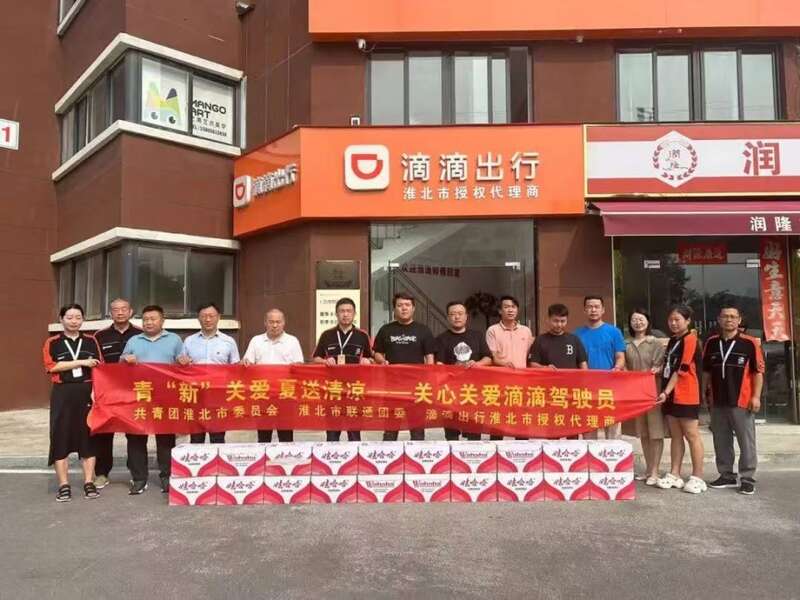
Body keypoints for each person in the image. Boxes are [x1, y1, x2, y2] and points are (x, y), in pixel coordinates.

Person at [120, 305, 184, 495]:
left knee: (165, 438)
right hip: (139, 395)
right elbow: (119, 365)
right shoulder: (134, 340)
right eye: (145, 319)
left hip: (165, 395)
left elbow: (182, 365)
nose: (148, 322)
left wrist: (183, 362)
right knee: (136, 437)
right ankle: (139, 479)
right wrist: (126, 360)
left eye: (153, 319)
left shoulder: (174, 340)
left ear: (162, 321)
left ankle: (167, 477)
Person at [42, 304, 103, 502]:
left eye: (78, 317)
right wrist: (81, 362)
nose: (74, 321)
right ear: (61, 319)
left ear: (83, 319)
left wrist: (96, 392)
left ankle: (89, 482)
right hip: (63, 393)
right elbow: (52, 366)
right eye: (69, 317)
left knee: (88, 437)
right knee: (60, 437)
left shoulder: (91, 340)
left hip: (86, 393)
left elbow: (100, 368)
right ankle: (64, 485)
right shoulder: (52, 342)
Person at [703, 305, 764, 495]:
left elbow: (758, 372)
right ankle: (726, 475)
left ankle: (747, 477)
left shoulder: (749, 343)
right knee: (721, 439)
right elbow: (706, 371)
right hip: (717, 400)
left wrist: (756, 396)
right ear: (719, 320)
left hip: (742, 400)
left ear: (739, 320)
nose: (728, 320)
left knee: (746, 441)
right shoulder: (711, 343)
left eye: (732, 316)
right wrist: (703, 394)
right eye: (725, 316)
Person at [655, 305, 706, 494]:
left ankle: (698, 476)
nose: (673, 323)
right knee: (675, 435)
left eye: (677, 319)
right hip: (670, 395)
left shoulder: (691, 339)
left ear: (688, 321)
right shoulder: (673, 340)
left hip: (686, 393)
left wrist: (666, 392)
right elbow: (669, 365)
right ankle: (675, 473)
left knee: (692, 435)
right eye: (671, 320)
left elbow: (682, 369)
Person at [373, 292, 436, 441]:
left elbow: (429, 357)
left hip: (417, 388)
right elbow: (377, 353)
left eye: (407, 305)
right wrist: (382, 361)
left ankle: (418, 455)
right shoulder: (386, 330)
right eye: (400, 305)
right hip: (392, 387)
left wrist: (429, 379)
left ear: (413, 308)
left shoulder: (423, 330)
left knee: (417, 430)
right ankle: (388, 454)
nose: (404, 308)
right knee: (390, 429)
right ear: (394, 309)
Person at [93, 298, 141, 489]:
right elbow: (96, 364)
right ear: (110, 313)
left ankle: (137, 474)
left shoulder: (140, 334)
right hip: (108, 392)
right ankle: (102, 473)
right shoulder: (99, 336)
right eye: (115, 309)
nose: (120, 312)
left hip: (134, 392)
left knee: (135, 433)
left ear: (131, 312)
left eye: (123, 309)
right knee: (104, 433)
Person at [312, 297, 373, 442]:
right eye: (342, 311)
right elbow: (315, 357)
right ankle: (331, 455)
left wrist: (367, 361)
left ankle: (355, 456)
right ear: (336, 314)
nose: (345, 314)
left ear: (354, 314)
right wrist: (325, 361)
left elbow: (371, 358)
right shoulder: (327, 335)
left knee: (354, 432)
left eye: (349, 311)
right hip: (333, 388)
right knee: (332, 432)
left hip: (354, 389)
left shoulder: (362, 335)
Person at [178, 302, 240, 444]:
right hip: (196, 395)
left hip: (219, 395)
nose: (207, 319)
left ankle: (217, 459)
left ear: (218, 317)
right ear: (198, 318)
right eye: (204, 316)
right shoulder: (189, 341)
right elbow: (181, 368)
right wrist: (182, 362)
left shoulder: (228, 341)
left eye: (211, 316)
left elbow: (235, 368)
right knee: (196, 437)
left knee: (217, 437)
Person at [242, 309, 304, 443]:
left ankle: (287, 456)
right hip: (262, 393)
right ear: (265, 323)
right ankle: (264, 456)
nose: (274, 325)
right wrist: (245, 362)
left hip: (285, 394)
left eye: (278, 322)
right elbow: (247, 362)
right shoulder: (256, 341)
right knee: (263, 434)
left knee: (286, 434)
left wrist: (296, 366)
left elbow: (299, 365)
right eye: (271, 322)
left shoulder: (292, 341)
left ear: (284, 323)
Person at [435, 301, 492, 441]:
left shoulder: (477, 336)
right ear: (448, 317)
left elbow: (488, 358)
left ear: (466, 316)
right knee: (451, 433)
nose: (457, 317)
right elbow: (439, 364)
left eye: (460, 314)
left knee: (474, 432)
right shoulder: (441, 339)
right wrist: (451, 369)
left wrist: (477, 364)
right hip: (451, 391)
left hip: (473, 391)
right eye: (453, 314)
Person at [623, 308, 666, 486]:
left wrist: (658, 369)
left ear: (647, 321)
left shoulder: (655, 342)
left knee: (655, 432)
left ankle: (655, 470)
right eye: (634, 319)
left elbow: (661, 364)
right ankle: (648, 469)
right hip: (636, 393)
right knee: (643, 432)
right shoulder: (626, 344)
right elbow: (624, 366)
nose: (638, 322)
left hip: (653, 391)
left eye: (641, 319)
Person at [574, 296, 626, 440]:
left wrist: (617, 368)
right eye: (590, 307)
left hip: (609, 387)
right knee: (589, 430)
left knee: (613, 430)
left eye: (596, 307)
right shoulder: (576, 335)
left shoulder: (614, 332)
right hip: (586, 388)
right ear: (584, 310)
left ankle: (613, 455)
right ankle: (590, 456)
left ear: (603, 310)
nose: (593, 310)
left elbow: (620, 357)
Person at [528, 304, 588, 370]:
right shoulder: (540, 340)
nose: (559, 325)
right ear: (548, 319)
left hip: (570, 377)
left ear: (567, 321)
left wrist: (585, 376)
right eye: (555, 321)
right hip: (548, 376)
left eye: (563, 321)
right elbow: (532, 363)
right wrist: (545, 368)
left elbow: (583, 363)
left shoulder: (574, 340)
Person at [486, 296, 534, 370]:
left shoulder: (526, 331)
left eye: (513, 307)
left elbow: (528, 355)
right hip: (501, 373)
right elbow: (492, 357)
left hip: (521, 374)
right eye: (506, 307)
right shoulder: (492, 330)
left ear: (517, 310)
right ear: (500, 311)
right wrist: (505, 364)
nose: (510, 310)